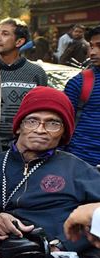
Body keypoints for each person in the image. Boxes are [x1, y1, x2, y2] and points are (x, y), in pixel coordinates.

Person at [0, 86, 100, 258]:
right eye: (32, 121)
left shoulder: (77, 169)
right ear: (19, 126)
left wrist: (62, 245)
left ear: (64, 132)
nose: (40, 129)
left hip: (76, 257)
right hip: (18, 257)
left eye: (53, 123)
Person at [0, 18, 48, 152]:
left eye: (5, 34)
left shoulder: (36, 73)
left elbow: (42, 109)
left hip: (24, 147)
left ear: (19, 42)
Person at [64, 25, 100, 166]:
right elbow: (62, 126)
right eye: (91, 46)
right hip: (81, 164)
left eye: (99, 46)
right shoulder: (79, 82)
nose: (92, 52)